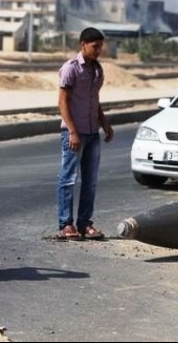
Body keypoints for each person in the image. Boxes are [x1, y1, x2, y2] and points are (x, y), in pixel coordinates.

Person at [56, 27, 114, 240]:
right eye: (95, 46)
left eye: (100, 46)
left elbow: (94, 101)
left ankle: (84, 223)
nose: (98, 50)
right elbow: (62, 103)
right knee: (68, 179)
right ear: (83, 45)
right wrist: (72, 132)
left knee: (90, 181)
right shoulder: (71, 68)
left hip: (92, 133)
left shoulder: (97, 70)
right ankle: (65, 224)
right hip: (74, 133)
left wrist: (105, 124)